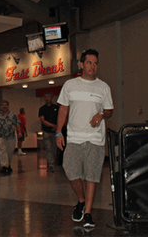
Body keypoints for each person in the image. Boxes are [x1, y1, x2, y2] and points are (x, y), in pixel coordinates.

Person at [56, 49, 113, 230]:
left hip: (95, 140)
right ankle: (81, 200)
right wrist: (58, 132)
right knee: (71, 172)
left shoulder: (103, 87)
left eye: (95, 63)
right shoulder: (70, 85)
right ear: (81, 64)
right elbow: (63, 110)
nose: (93, 66)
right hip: (73, 138)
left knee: (92, 177)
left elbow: (109, 110)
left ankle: (87, 213)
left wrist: (101, 114)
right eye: (89, 63)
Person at [0, 100, 21, 173]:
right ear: (0, 107)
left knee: (9, 152)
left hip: (11, 137)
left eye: (6, 105)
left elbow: (17, 123)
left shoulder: (13, 114)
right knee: (2, 151)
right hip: (1, 137)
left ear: (8, 106)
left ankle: (8, 165)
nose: (4, 106)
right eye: (2, 105)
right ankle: (4, 166)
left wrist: (19, 132)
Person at [39, 92, 59, 171]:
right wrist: (52, 125)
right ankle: (51, 164)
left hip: (55, 132)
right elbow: (42, 120)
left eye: (48, 97)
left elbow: (60, 118)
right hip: (46, 131)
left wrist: (57, 127)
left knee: (55, 148)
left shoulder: (56, 108)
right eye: (45, 97)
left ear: (52, 98)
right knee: (48, 148)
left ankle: (54, 162)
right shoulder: (42, 109)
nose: (47, 98)